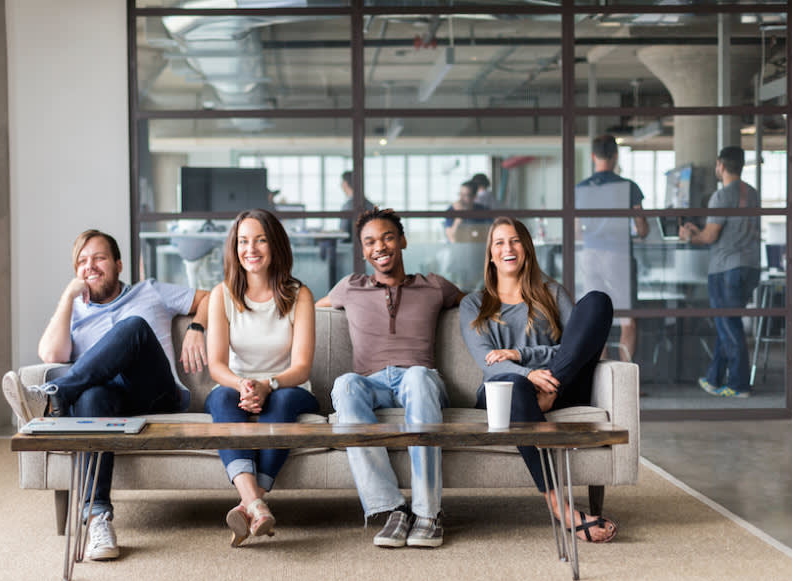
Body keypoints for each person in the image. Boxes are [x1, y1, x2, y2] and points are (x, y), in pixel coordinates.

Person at [1, 229, 209, 561]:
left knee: (133, 327)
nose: (91, 266)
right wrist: (67, 298)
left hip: (156, 396)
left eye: (98, 258)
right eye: (82, 262)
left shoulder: (150, 291)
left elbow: (210, 298)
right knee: (93, 397)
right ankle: (98, 519)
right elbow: (50, 353)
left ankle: (54, 398)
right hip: (111, 406)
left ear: (118, 264)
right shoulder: (73, 312)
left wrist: (196, 328)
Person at [459, 217, 618, 543]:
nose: (508, 248)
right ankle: (563, 509)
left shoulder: (552, 294)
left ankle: (546, 395)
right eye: (499, 242)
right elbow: (488, 363)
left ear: (527, 248)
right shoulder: (474, 304)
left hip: (557, 387)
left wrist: (521, 356)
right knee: (513, 385)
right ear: (490, 254)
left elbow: (576, 347)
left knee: (598, 302)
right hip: (504, 394)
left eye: (515, 240)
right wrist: (527, 375)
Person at [316, 207, 463, 548]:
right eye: (369, 242)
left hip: (421, 382)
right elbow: (307, 310)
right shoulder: (350, 288)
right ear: (363, 251)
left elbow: (475, 308)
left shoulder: (434, 286)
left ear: (402, 241)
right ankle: (393, 508)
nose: (379, 246)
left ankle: (428, 513)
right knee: (345, 383)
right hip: (373, 385)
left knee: (415, 377)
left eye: (387, 237)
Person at [204, 209, 319, 546]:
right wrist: (242, 384)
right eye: (242, 241)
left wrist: (269, 384)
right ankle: (256, 504)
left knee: (281, 400)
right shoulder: (221, 295)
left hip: (288, 386)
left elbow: (301, 367)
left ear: (276, 245)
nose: (250, 249)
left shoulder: (300, 295)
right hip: (237, 387)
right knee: (222, 397)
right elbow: (217, 365)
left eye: (260, 240)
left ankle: (248, 501)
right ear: (234, 248)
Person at [680, 145, 760, 398]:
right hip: (751, 267)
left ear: (721, 166)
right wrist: (699, 232)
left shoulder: (721, 196)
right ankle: (714, 379)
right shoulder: (753, 193)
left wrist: (689, 235)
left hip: (725, 268)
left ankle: (738, 385)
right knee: (728, 324)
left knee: (728, 326)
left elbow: (710, 236)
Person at [575, 134, 648, 363]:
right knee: (627, 317)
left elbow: (576, 231)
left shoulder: (580, 189)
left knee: (596, 316)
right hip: (618, 256)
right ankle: (625, 378)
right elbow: (642, 228)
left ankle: (603, 379)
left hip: (589, 256)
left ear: (593, 156)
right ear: (616, 156)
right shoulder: (628, 187)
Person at [339, 171, 375, 240]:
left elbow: (343, 231)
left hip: (351, 246)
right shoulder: (371, 205)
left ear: (345, 184)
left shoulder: (348, 206)